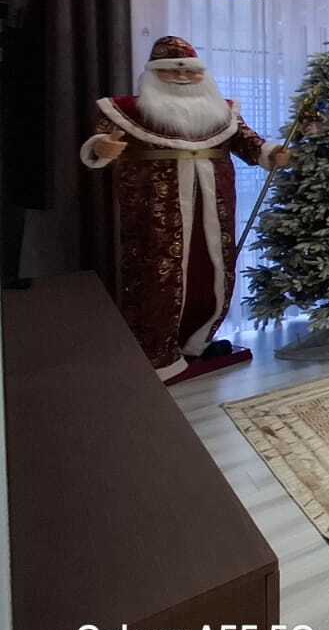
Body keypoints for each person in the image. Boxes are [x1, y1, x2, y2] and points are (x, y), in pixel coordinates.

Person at [80, 36, 289, 381]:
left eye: (191, 72)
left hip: (213, 205)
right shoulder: (126, 110)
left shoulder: (221, 110)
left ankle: (197, 341)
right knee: (156, 275)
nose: (182, 78)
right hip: (155, 208)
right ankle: (156, 352)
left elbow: (249, 143)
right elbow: (99, 144)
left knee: (213, 270)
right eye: (171, 72)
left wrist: (272, 154)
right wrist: (101, 147)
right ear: (153, 74)